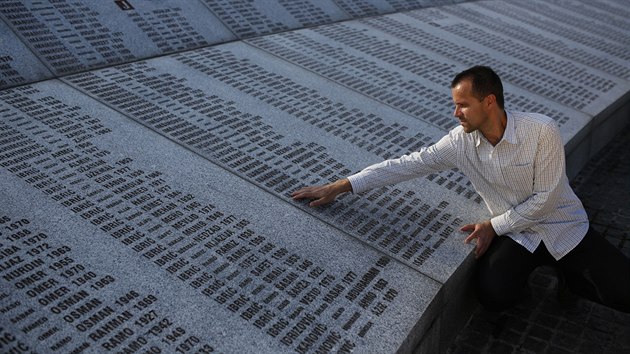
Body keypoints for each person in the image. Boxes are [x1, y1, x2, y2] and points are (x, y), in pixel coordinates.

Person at [291, 65, 630, 313]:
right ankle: (542, 277)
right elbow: (408, 164)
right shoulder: (460, 142)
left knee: (624, 292)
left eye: (463, 105)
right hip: (519, 236)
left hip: (562, 225)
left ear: (489, 102)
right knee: (494, 295)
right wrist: (342, 185)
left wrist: (492, 226)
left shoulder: (541, 131)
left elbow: (546, 200)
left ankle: (573, 280)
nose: (456, 113)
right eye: (455, 105)